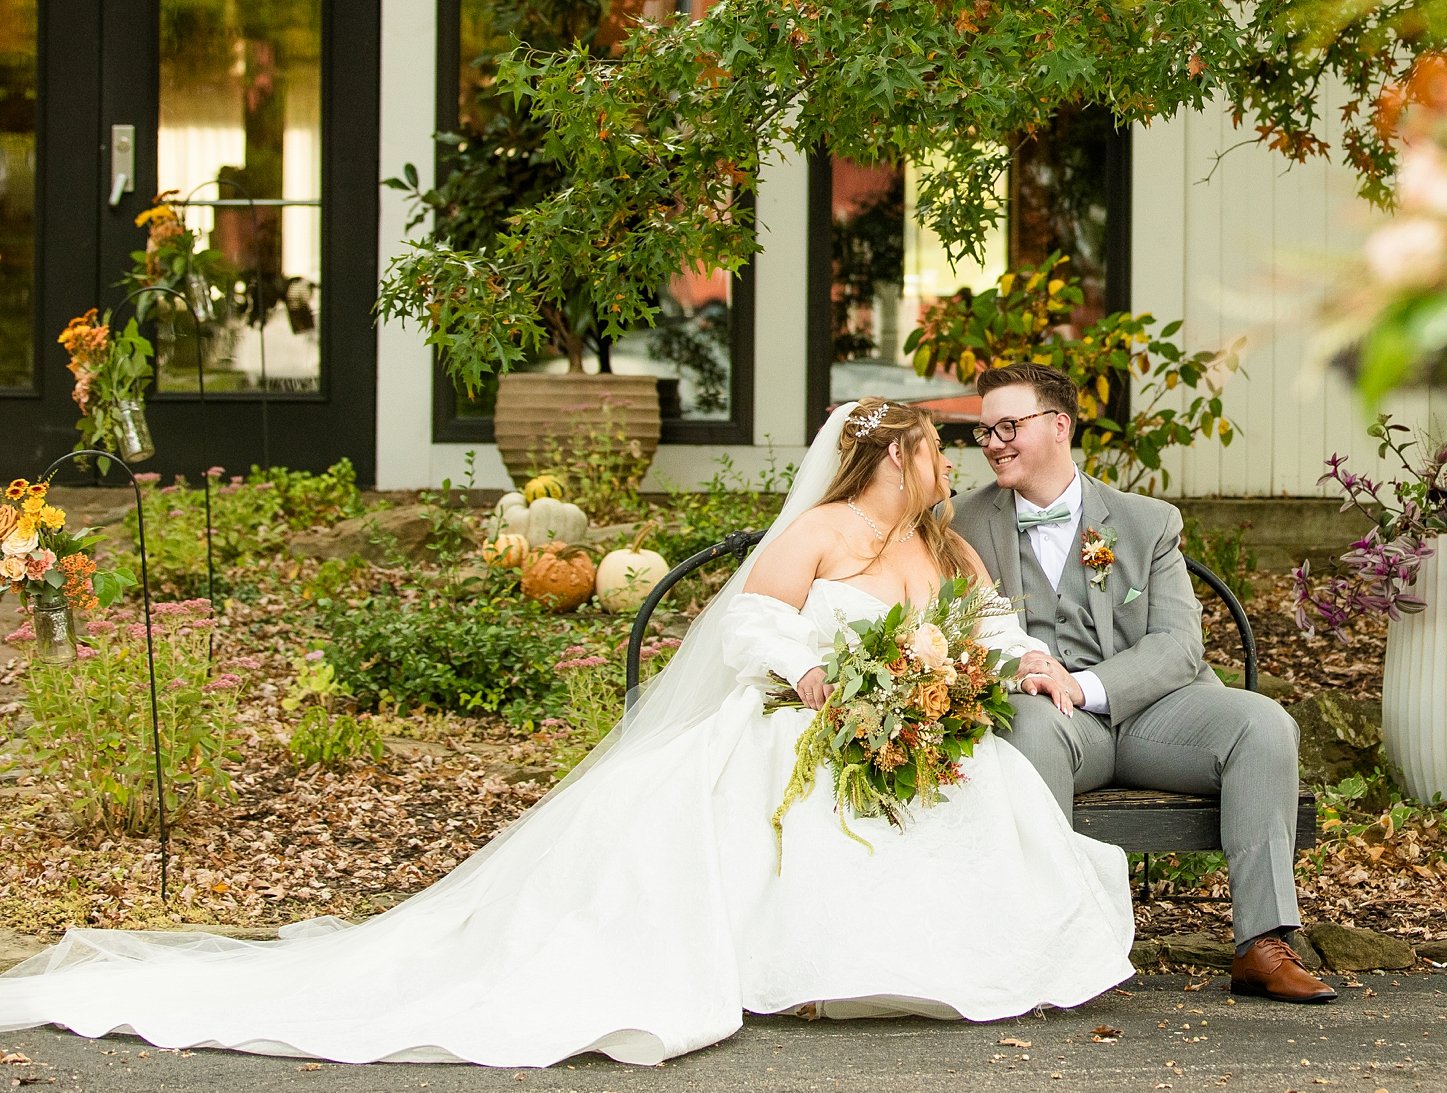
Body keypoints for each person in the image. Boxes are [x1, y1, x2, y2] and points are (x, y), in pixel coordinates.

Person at [0, 401, 1134, 1068]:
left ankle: (934, 962)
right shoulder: (827, 529)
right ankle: (804, 973)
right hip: (806, 721)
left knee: (978, 800)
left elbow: (985, 630)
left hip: (916, 731)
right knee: (789, 796)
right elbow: (747, 623)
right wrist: (821, 680)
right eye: (938, 448)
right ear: (894, 454)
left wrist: (969, 677)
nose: (951, 463)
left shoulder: (946, 547)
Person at [956, 362, 1336, 1005]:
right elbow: (951, 629)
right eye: (985, 431)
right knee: (1031, 723)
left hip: (1153, 715)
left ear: (1058, 426)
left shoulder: (1145, 521)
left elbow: (1180, 646)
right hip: (1050, 720)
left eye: (1008, 426)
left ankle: (1262, 944)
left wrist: (1086, 685)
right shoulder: (964, 523)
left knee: (1263, 723)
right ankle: (1047, 941)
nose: (993, 442)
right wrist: (1023, 676)